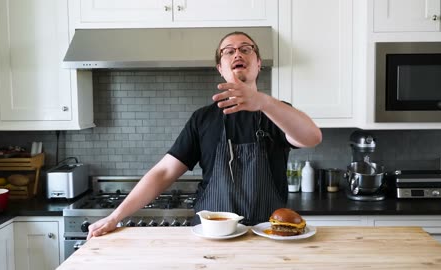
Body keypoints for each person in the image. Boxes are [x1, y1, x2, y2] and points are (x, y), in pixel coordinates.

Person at [86, 31, 322, 240]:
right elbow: (164, 172)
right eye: (228, 51)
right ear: (221, 67)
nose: (237, 53)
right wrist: (116, 216)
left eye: (246, 49)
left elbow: (312, 138)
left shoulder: (278, 112)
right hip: (212, 238)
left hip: (267, 236)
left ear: (258, 63)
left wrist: (264, 102)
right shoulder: (202, 119)